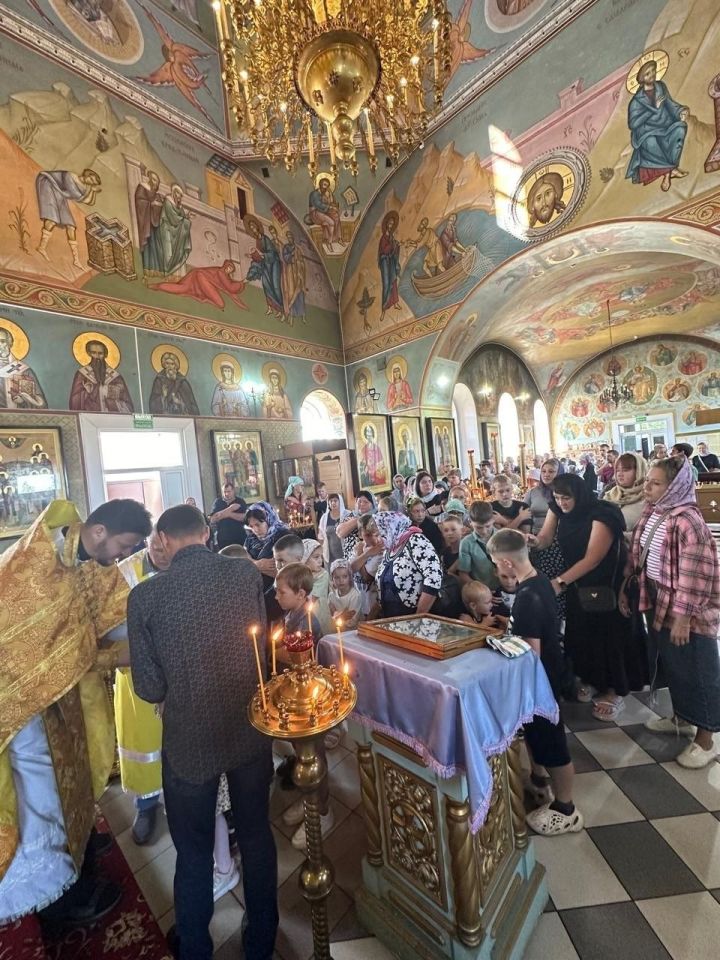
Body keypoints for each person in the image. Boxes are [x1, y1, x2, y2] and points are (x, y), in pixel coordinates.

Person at [127, 505, 278, 960]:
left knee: (193, 854)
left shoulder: (145, 598)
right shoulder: (245, 575)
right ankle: (262, 943)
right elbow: (259, 649)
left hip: (189, 744)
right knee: (255, 834)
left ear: (164, 541)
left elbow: (149, 686)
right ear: (207, 533)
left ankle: (194, 948)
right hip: (250, 727)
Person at [0, 498, 152, 927]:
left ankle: (78, 843)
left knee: (75, 776)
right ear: (99, 531)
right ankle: (56, 896)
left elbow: (103, 619)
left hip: (62, 698)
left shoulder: (87, 559)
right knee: (43, 791)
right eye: (124, 544)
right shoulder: (35, 562)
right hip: (24, 704)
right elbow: (28, 639)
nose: (123, 554)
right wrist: (116, 656)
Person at [622, 457, 720, 768]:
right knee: (673, 663)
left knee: (698, 670)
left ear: (674, 486)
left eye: (655, 483)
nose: (647, 488)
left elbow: (695, 575)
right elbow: (641, 551)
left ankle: (706, 740)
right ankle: (682, 716)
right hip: (657, 599)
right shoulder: (656, 511)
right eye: (647, 481)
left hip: (687, 610)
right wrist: (630, 584)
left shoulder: (688, 521)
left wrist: (683, 617)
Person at [487, 530, 583, 836]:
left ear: (507, 562)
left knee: (553, 744)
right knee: (537, 736)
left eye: (496, 564)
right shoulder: (539, 580)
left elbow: (530, 653)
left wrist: (499, 645)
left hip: (541, 683)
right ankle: (540, 781)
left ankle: (566, 809)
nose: (496, 571)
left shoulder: (527, 598)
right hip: (546, 676)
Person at [535, 474, 647, 720]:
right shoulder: (558, 509)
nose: (562, 502)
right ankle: (593, 679)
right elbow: (544, 538)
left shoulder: (601, 514)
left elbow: (593, 558)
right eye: (557, 497)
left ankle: (614, 691)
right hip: (578, 583)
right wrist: (531, 541)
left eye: (567, 497)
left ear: (580, 494)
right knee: (584, 633)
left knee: (609, 637)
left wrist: (560, 581)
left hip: (605, 583)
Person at [115, 530, 171, 847]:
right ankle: (146, 806)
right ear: (147, 545)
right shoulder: (125, 573)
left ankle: (180, 802)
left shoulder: (181, 566)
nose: (163, 555)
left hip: (175, 669)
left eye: (167, 548)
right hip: (138, 670)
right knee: (144, 744)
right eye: (156, 548)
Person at [273, 563, 334, 849]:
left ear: (300, 593)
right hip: (296, 696)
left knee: (314, 755)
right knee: (301, 754)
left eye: (280, 591)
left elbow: (300, 656)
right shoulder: (292, 612)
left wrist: (270, 650)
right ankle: (309, 798)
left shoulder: (307, 620)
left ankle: (322, 810)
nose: (275, 596)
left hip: (311, 700)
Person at [375, 511, 443, 617]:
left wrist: (418, 616)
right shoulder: (390, 549)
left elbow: (433, 578)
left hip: (414, 618)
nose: (378, 539)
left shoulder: (416, 540)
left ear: (392, 528)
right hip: (391, 619)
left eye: (380, 533)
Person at [69, 338, 134, 413]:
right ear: (89, 353)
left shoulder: (116, 377)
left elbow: (128, 404)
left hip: (112, 418)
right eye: (93, 353)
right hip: (90, 416)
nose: (97, 356)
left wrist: (107, 391)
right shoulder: (82, 374)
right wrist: (87, 393)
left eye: (100, 353)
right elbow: (74, 401)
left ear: (105, 355)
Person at [244, 502, 291, 591]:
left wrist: (249, 563)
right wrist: (256, 564)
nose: (255, 530)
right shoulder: (251, 538)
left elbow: (282, 572)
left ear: (268, 519)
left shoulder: (284, 536)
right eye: (251, 526)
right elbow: (242, 557)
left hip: (279, 589)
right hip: (255, 589)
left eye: (258, 524)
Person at [602, 452, 648, 536]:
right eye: (618, 470)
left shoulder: (649, 498)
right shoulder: (610, 493)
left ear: (639, 471)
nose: (620, 474)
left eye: (625, 470)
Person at [457, 500, 499, 590]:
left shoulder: (503, 537)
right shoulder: (466, 543)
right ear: (470, 522)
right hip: (481, 591)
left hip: (505, 588)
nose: (484, 531)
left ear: (493, 519)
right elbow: (463, 574)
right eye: (478, 527)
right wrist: (482, 591)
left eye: (488, 526)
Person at [350, 513, 386, 617]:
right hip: (360, 602)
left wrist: (363, 554)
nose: (373, 539)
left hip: (373, 603)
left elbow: (366, 577)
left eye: (374, 534)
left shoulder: (380, 551)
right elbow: (351, 568)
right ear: (360, 534)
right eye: (367, 535)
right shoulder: (358, 548)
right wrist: (365, 554)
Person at [302, 538, 333, 636]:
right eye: (316, 557)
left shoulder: (323, 575)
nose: (320, 561)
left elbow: (312, 599)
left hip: (318, 612)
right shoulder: (300, 575)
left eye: (321, 557)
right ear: (305, 559)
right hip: (304, 614)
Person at [209, 482, 248, 551]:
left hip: (239, 537)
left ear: (233, 491)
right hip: (223, 539)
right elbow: (213, 519)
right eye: (224, 492)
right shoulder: (218, 502)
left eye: (229, 491)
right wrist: (230, 509)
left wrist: (228, 514)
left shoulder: (240, 501)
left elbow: (244, 518)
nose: (226, 494)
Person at [328, 559, 363, 630]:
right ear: (332, 579)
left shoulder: (355, 596)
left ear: (350, 577)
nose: (341, 580)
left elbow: (351, 622)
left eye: (344, 576)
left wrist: (337, 616)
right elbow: (329, 617)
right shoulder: (331, 596)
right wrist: (339, 616)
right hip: (337, 631)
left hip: (352, 632)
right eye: (337, 577)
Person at [318, 493, 351, 566]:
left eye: (335, 500)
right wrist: (321, 551)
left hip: (346, 551)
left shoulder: (348, 514)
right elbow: (320, 537)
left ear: (340, 502)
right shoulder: (324, 517)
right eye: (331, 501)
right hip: (330, 554)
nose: (333, 503)